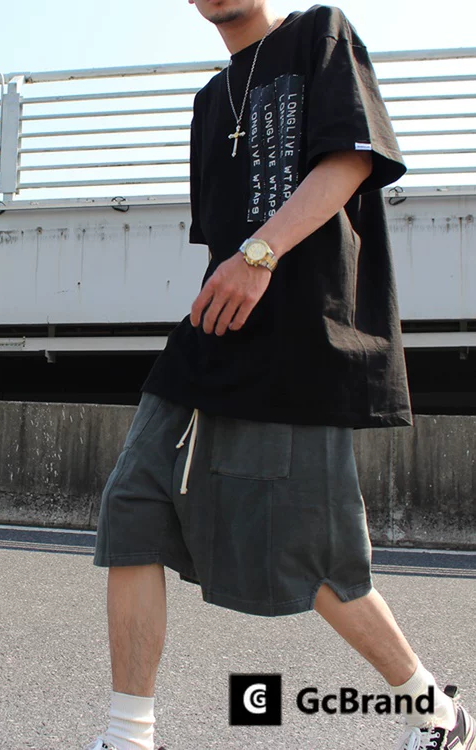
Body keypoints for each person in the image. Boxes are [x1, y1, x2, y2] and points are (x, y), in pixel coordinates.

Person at [86, 2, 476, 750]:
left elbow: (351, 160)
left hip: (303, 340)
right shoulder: (211, 100)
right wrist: (236, 270)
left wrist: (259, 255)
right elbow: (218, 240)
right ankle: (129, 736)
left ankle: (439, 714)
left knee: (318, 559)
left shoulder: (318, 34)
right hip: (214, 339)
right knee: (131, 512)